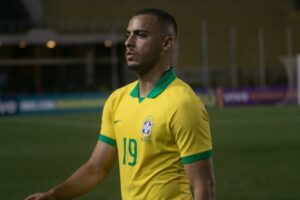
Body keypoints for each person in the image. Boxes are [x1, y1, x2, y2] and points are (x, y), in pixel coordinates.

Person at [25, 8, 216, 200]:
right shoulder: (117, 100)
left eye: (140, 35)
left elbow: (203, 185)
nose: (128, 42)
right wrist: (53, 196)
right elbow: (96, 168)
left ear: (166, 43)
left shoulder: (183, 103)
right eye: (128, 35)